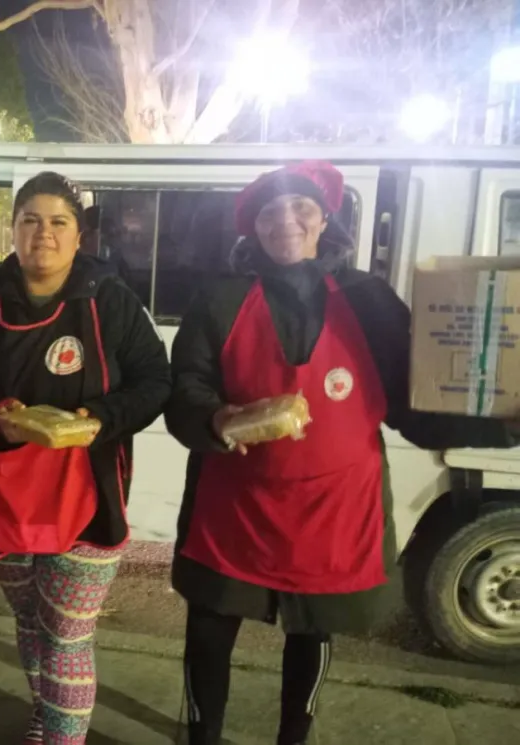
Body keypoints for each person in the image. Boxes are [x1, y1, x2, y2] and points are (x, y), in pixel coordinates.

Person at [164, 161, 517, 745]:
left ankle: (293, 740)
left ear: (324, 218)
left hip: (335, 507)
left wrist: (504, 426)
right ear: (252, 227)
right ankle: (202, 737)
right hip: (235, 506)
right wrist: (216, 416)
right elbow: (186, 390)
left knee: (312, 632)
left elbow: (414, 406)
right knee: (208, 627)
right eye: (270, 212)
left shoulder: (369, 300)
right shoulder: (219, 298)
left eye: (300, 208)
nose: (286, 221)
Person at [0, 172, 171, 744]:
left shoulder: (109, 301)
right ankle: (44, 712)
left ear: (79, 235)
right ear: (11, 231)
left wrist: (100, 419)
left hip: (86, 497)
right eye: (30, 220)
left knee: (66, 632)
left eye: (58, 222)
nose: (44, 233)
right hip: (2, 494)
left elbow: (155, 381)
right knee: (30, 620)